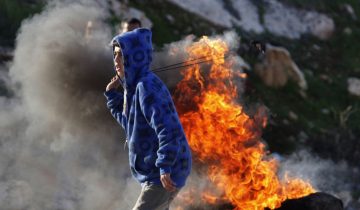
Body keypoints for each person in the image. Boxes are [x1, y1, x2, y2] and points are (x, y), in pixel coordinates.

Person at [104, 28, 192, 210]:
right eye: (115, 55)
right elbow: (131, 125)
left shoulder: (146, 87)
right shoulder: (133, 87)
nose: (116, 61)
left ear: (133, 57)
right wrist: (113, 96)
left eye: (121, 55)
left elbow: (168, 128)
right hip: (156, 171)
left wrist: (165, 165)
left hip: (167, 170)